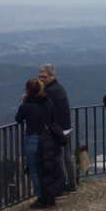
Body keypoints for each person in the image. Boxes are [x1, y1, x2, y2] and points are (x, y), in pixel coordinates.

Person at [14, 78, 61, 209]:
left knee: (34, 171)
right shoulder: (49, 102)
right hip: (48, 140)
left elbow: (18, 119)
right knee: (48, 169)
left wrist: (24, 101)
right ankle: (50, 196)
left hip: (33, 141)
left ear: (28, 91)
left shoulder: (25, 106)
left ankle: (40, 198)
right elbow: (53, 119)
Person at [38, 63, 74, 192]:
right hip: (67, 129)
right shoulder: (59, 88)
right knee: (67, 157)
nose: (41, 79)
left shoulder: (50, 91)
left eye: (44, 76)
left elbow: (45, 110)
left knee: (59, 159)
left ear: (52, 76)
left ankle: (62, 185)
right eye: (40, 77)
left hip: (59, 131)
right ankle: (71, 182)